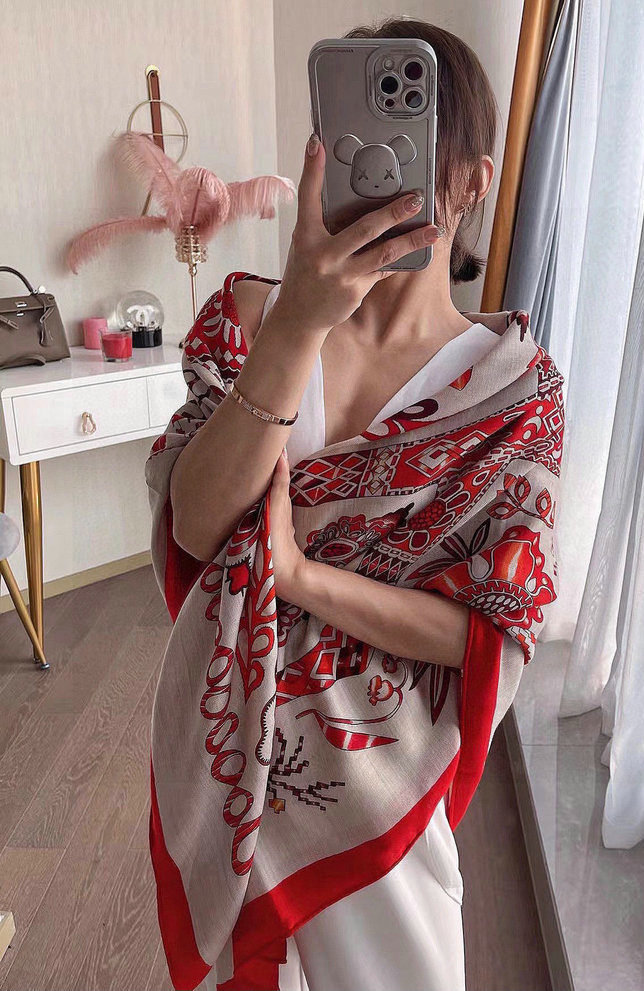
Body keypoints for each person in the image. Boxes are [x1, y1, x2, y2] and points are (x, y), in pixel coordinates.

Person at [148, 16, 562, 991]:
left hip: (382, 785)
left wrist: (298, 577)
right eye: (348, 130)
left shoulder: (512, 392)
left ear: (474, 180)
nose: (376, 162)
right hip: (227, 749)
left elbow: (491, 629)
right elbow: (196, 528)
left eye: (412, 129)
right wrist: (297, 325)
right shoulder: (251, 317)